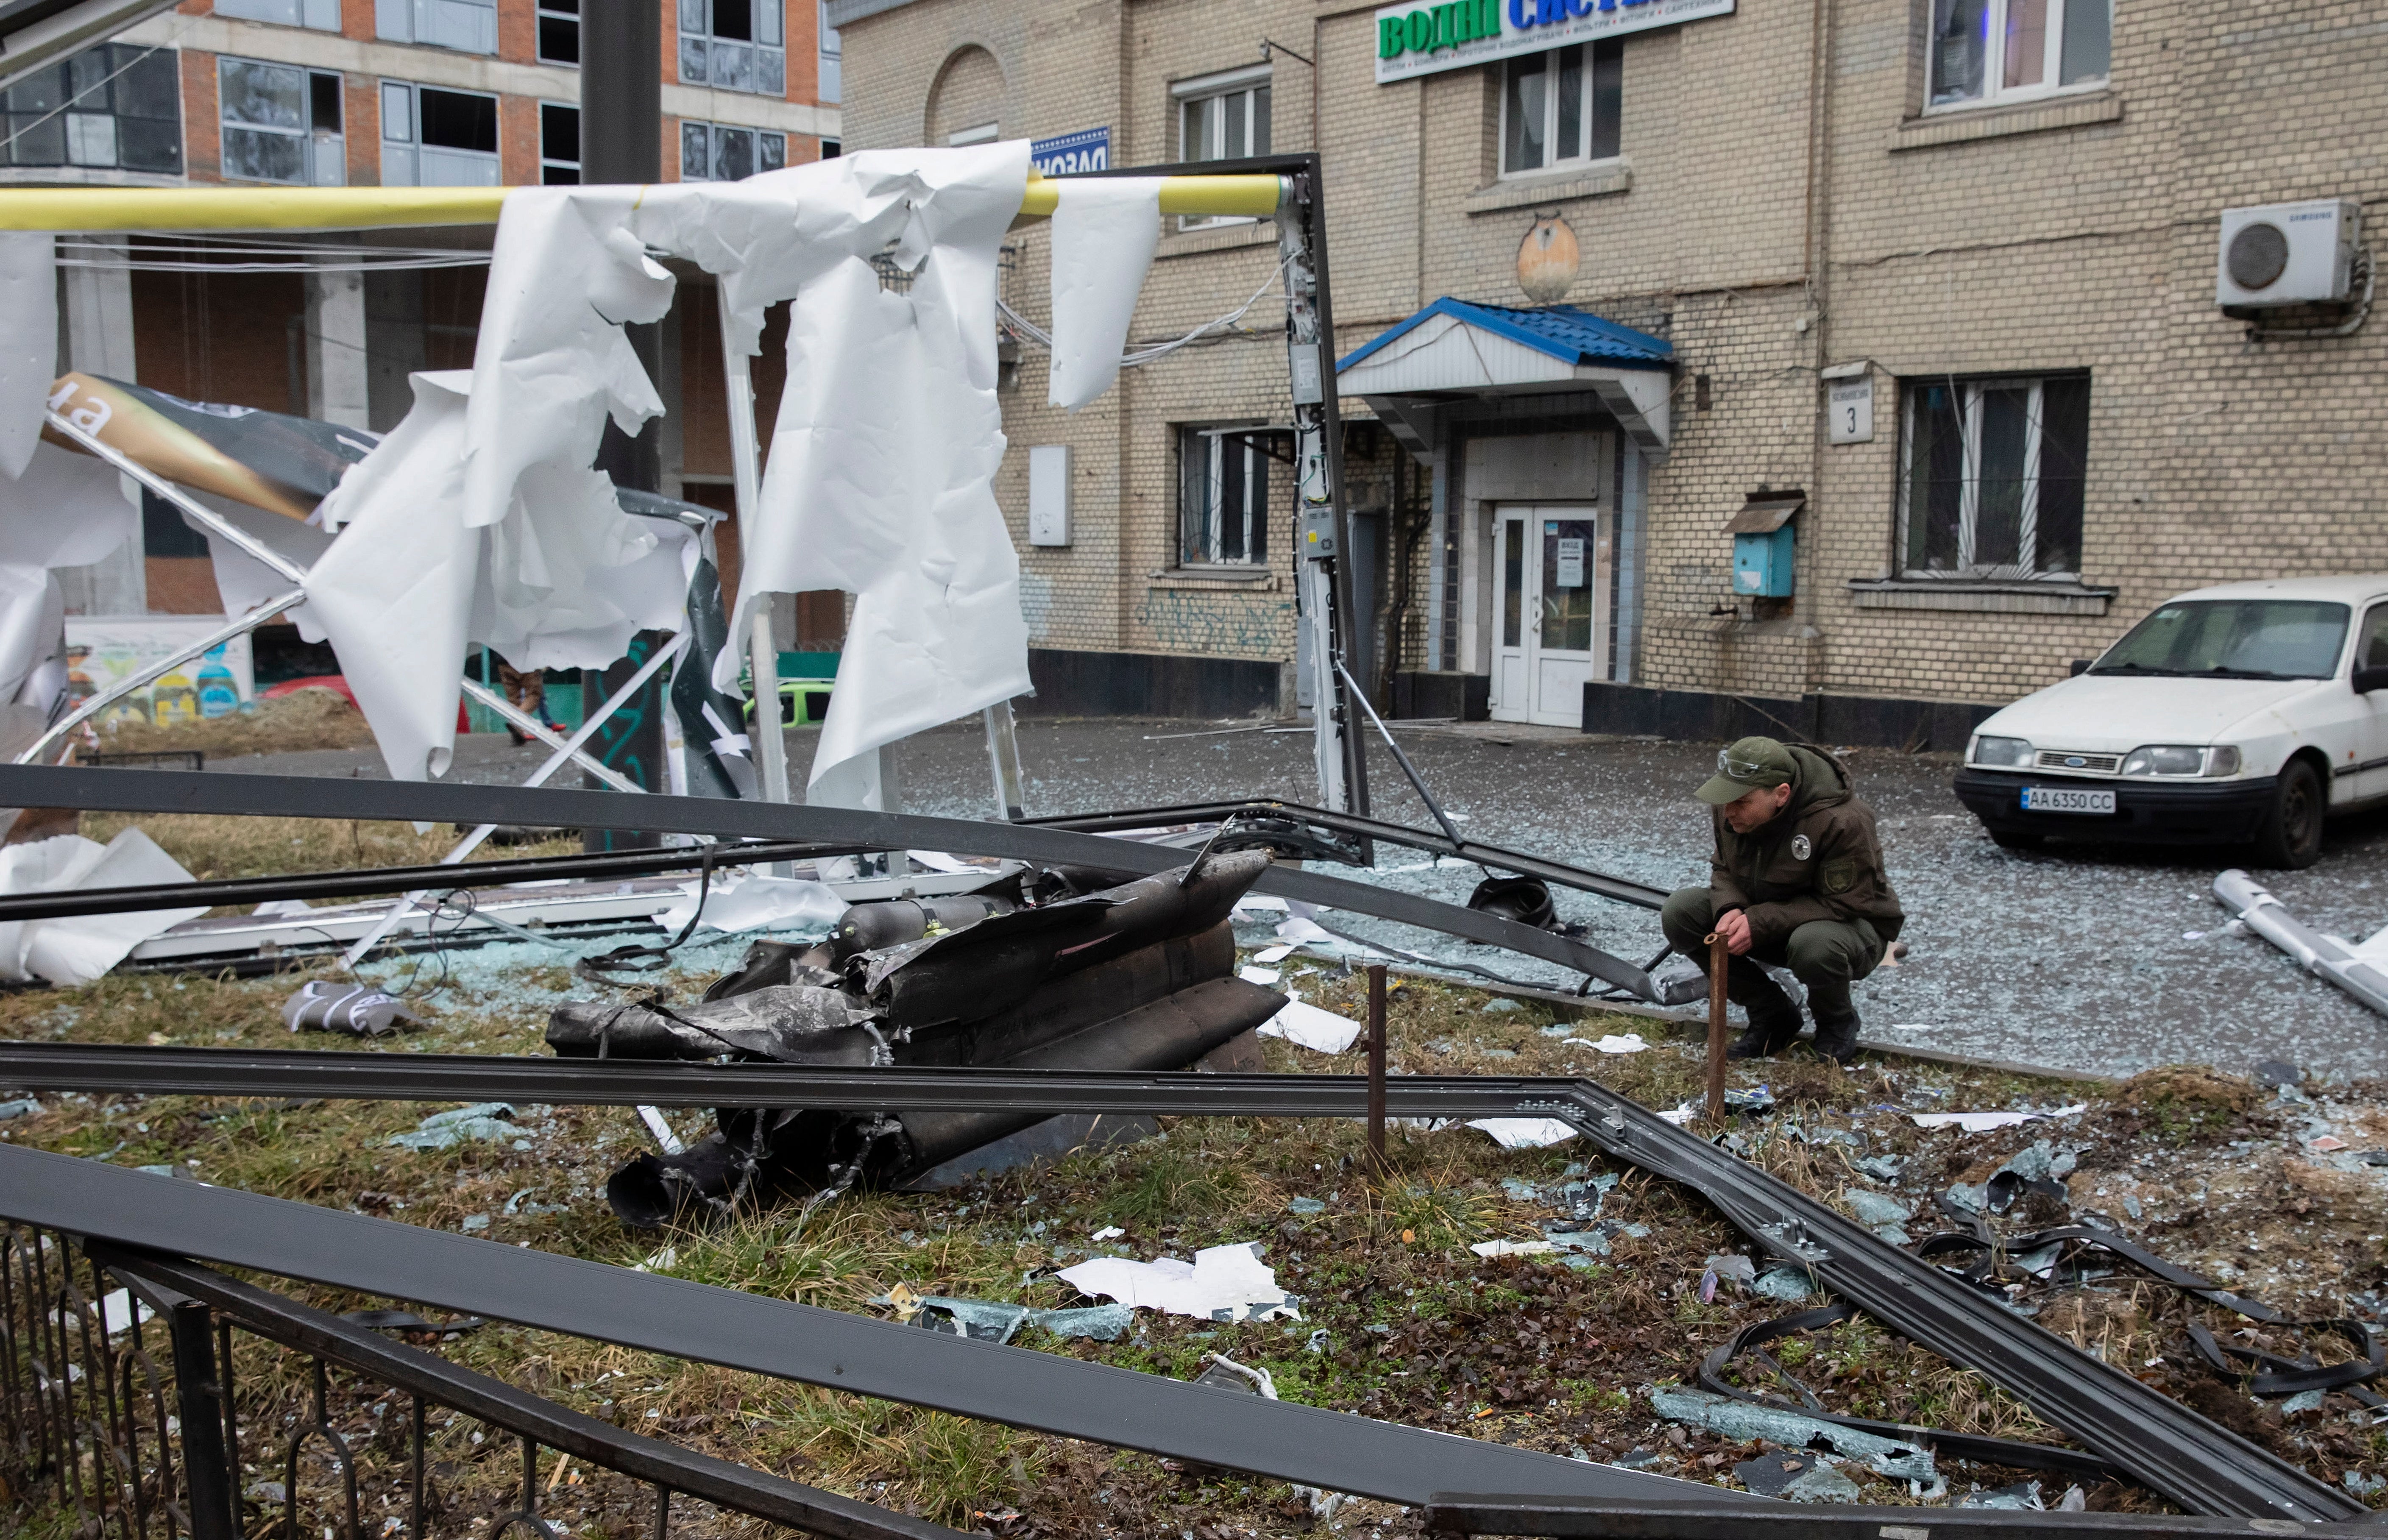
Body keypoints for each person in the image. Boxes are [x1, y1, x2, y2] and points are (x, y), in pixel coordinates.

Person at [1659, 736, 1904, 1064]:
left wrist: (1758, 921)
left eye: (1741, 801)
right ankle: (1773, 1015)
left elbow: (1846, 903)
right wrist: (1730, 908)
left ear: (1781, 794)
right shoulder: (1729, 805)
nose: (1728, 810)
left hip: (1850, 929)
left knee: (1813, 945)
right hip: (1770, 921)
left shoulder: (1842, 820)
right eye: (1725, 798)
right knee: (1681, 911)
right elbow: (1723, 868)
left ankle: (1836, 1024)